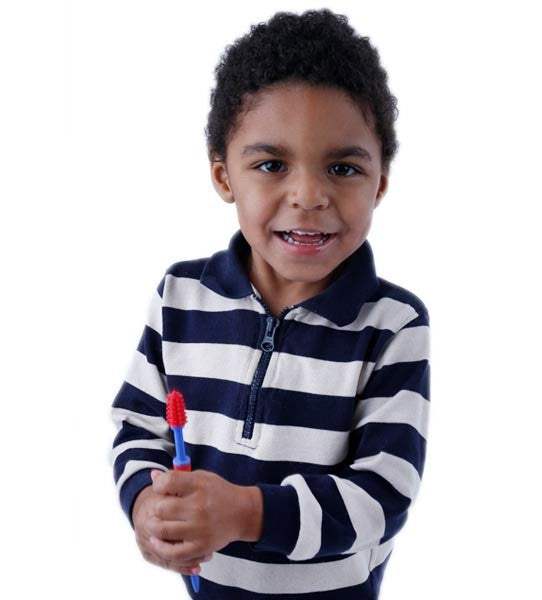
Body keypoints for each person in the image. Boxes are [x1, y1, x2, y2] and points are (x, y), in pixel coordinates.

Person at [110, 8, 430, 599]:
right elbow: (136, 425)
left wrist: (248, 513)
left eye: (342, 167)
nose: (308, 195)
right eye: (271, 165)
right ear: (224, 176)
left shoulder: (393, 325)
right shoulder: (180, 297)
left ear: (380, 181)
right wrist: (144, 504)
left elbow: (384, 495)